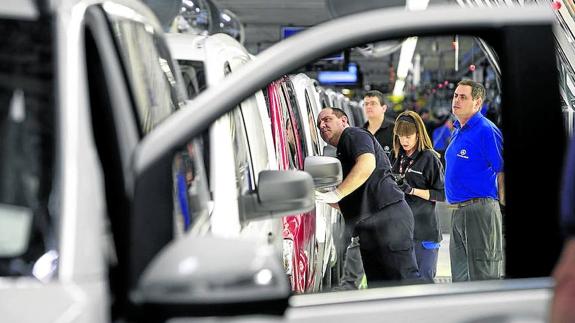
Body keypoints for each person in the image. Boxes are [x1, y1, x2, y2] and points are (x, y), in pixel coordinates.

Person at [315, 107, 420, 283]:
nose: (322, 125)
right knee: (380, 286)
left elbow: (367, 164)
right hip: (373, 225)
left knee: (402, 282)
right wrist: (321, 196)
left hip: (387, 218)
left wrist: (336, 193)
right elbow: (349, 201)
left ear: (344, 121)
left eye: (327, 119)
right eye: (319, 124)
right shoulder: (343, 152)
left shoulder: (353, 134)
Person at [445, 79, 504, 282]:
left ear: (477, 103)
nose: (457, 100)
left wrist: (502, 206)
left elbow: (502, 170)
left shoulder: (486, 130)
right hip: (458, 212)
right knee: (460, 277)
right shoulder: (457, 130)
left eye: (463, 97)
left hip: (480, 210)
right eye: (455, 95)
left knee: (484, 275)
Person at [392, 111, 445, 281]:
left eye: (408, 136)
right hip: (400, 234)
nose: (404, 140)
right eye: (401, 136)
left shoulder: (429, 158)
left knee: (423, 283)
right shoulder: (396, 157)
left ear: (418, 134)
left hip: (425, 234)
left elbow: (442, 194)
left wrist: (412, 190)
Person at [362, 90, 395, 162]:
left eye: (373, 103)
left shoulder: (395, 130)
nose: (368, 107)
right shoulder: (360, 133)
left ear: (384, 108)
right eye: (366, 104)